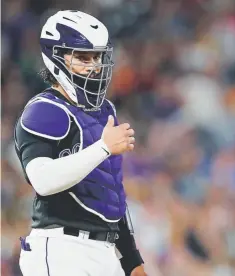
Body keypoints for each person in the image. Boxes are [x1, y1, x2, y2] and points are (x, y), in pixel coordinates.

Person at [14, 10, 146, 276]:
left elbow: (109, 192)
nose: (94, 65)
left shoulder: (104, 110)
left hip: (105, 252)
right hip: (61, 248)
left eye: (97, 57)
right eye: (83, 57)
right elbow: (42, 180)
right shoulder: (44, 109)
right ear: (56, 58)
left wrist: (133, 262)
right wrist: (103, 147)